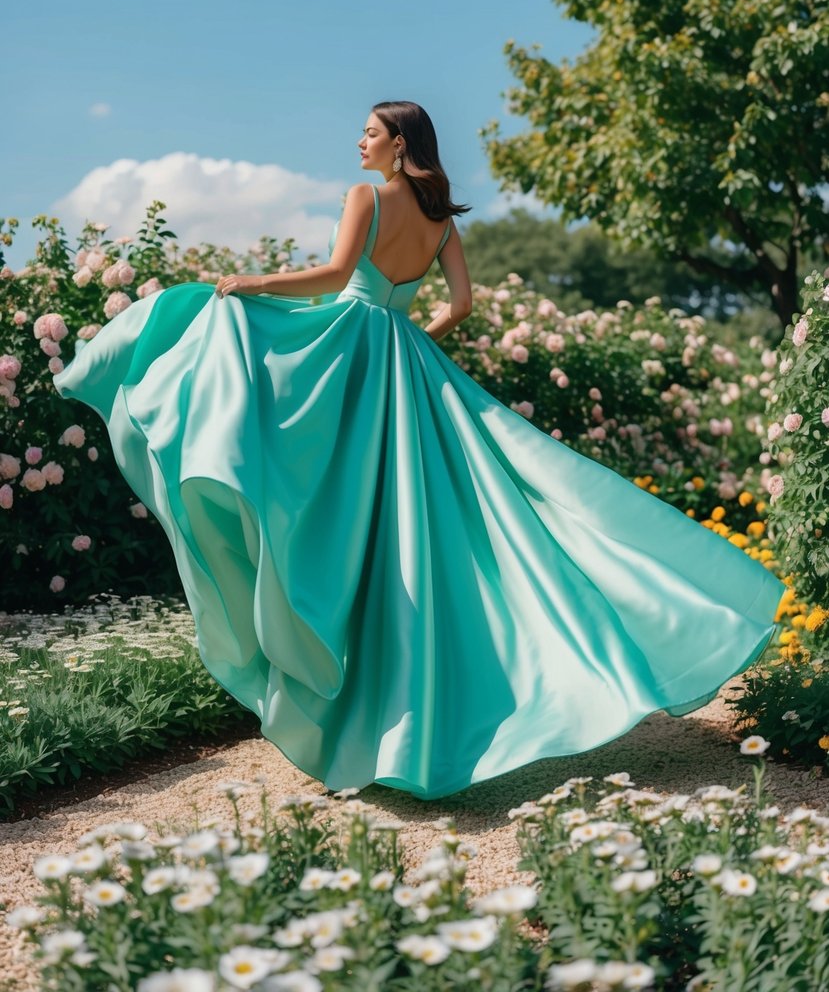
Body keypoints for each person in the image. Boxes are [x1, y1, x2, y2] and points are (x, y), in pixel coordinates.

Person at [53, 100, 785, 801]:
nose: (359, 142)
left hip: (350, 355)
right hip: (406, 362)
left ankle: (362, 718)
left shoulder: (366, 198)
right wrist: (409, 341)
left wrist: (254, 282)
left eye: (369, 132)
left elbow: (337, 280)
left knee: (334, 503)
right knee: (438, 522)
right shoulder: (441, 223)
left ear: (398, 145)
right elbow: (459, 305)